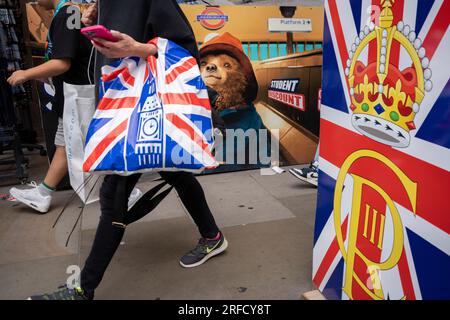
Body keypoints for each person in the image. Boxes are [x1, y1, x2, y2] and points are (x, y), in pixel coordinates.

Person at [28, 0, 227, 300]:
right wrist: (92, 20)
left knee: (113, 197)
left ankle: (82, 290)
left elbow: (185, 49)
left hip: (141, 109)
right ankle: (212, 236)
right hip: (124, 103)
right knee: (177, 176)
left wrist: (138, 48)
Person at [7, 0, 142, 213]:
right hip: (77, 92)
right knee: (64, 143)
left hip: (81, 94)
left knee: (94, 144)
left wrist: (26, 74)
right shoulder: (69, 12)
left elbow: (63, 62)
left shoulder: (67, 14)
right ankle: (44, 192)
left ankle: (127, 192)